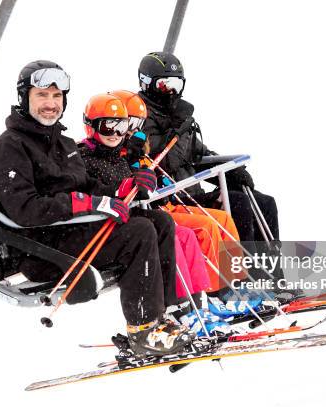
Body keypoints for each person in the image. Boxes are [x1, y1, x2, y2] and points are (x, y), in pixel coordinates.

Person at [0, 60, 193, 356]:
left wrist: (123, 188)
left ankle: (167, 316)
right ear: (24, 97)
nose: (50, 104)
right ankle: (144, 330)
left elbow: (86, 186)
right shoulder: (9, 148)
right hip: (42, 249)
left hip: (72, 233)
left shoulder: (61, 142)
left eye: (57, 97)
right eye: (42, 95)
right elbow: (25, 210)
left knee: (158, 221)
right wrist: (86, 203)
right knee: (139, 231)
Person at [78, 92, 233, 336]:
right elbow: (98, 189)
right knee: (179, 233)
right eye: (111, 125)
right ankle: (184, 307)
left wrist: (138, 162)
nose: (118, 133)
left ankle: (198, 302)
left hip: (145, 218)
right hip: (118, 229)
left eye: (126, 126)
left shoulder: (120, 152)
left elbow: (144, 180)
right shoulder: (87, 156)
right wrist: (131, 168)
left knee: (188, 234)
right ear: (92, 127)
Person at [136, 52, 281, 265]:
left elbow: (198, 154)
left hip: (192, 192)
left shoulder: (175, 115)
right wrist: (178, 126)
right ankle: (246, 279)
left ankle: (274, 278)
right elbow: (167, 159)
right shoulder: (141, 118)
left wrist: (231, 172)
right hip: (169, 199)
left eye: (177, 84)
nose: (172, 91)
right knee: (238, 203)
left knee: (264, 202)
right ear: (147, 84)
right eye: (165, 84)